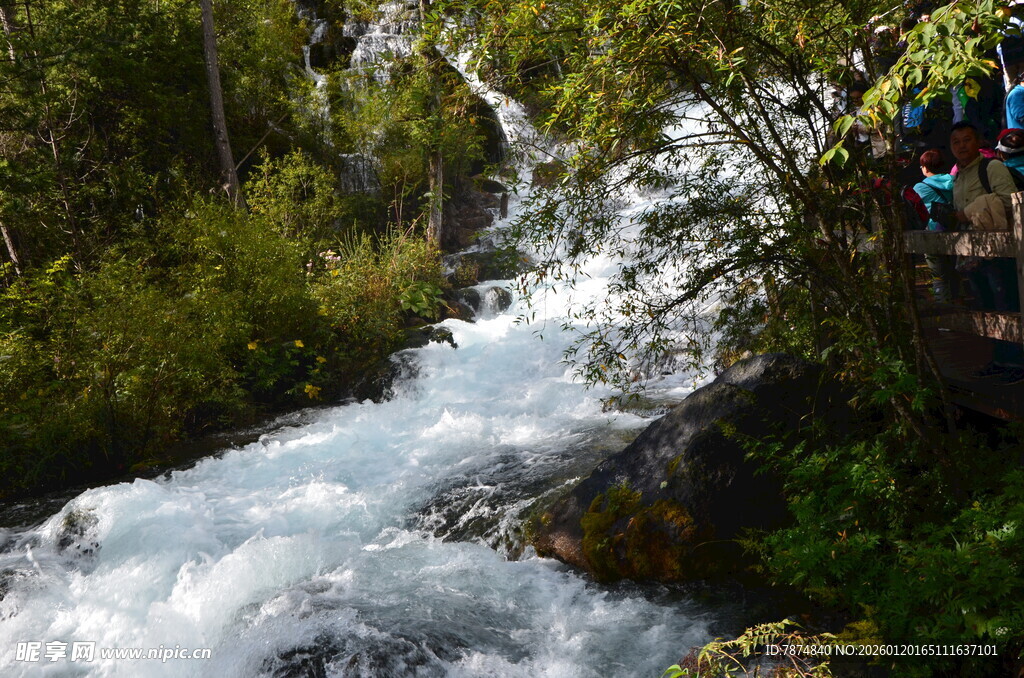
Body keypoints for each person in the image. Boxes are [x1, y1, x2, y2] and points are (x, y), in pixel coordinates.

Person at [950, 121, 1024, 382]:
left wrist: (968, 212)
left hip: (997, 250)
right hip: (973, 252)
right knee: (986, 306)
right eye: (956, 141)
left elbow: (1010, 201)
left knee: (1006, 303)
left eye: (967, 139)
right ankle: (1000, 359)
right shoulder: (958, 175)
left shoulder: (991, 167)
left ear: (978, 141)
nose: (962, 146)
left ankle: (1016, 363)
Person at [914, 149, 957, 301]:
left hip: (934, 235)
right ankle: (961, 308)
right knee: (956, 275)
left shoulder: (920, 188)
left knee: (939, 277)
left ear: (925, 168)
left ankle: (944, 310)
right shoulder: (955, 181)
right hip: (957, 231)